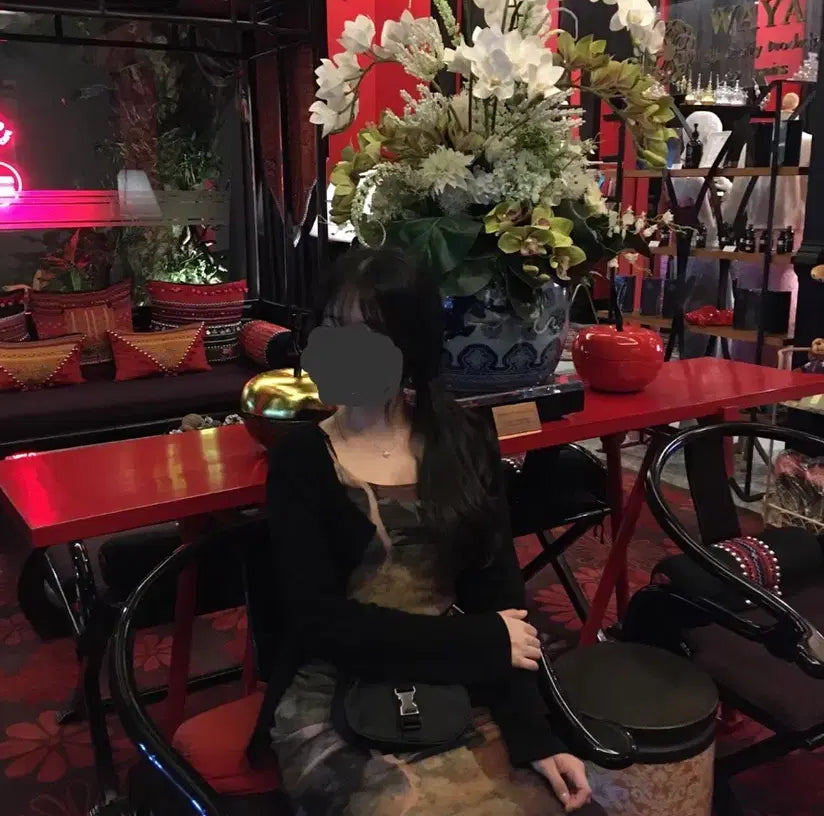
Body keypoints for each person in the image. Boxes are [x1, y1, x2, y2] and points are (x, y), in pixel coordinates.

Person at [254, 249, 600, 815]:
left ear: (411, 344)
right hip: (338, 689)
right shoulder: (302, 458)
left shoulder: (462, 442)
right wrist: (478, 642)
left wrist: (535, 736)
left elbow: (502, 607)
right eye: (334, 327)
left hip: (454, 676)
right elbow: (320, 624)